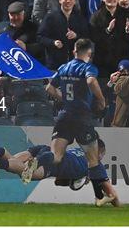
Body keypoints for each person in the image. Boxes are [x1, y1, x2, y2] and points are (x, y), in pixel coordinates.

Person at [23, 39, 112, 207]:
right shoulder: (88, 68)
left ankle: (38, 160)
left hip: (64, 115)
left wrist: (64, 100)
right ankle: (99, 197)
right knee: (93, 160)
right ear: (89, 53)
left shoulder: (64, 68)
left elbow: (49, 88)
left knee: (56, 157)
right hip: (82, 117)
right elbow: (91, 81)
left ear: (74, 51)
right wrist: (101, 101)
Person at [0, 136, 120, 207]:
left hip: (48, 150)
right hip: (54, 163)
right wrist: (119, 206)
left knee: (16, 163)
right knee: (31, 174)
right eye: (103, 154)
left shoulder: (79, 151)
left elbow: (59, 181)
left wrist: (76, 179)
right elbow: (109, 191)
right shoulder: (95, 165)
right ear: (99, 152)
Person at [37, 0, 89, 70]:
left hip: (75, 66)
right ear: (60, 0)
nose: (68, 1)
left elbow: (87, 37)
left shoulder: (80, 18)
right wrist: (53, 42)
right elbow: (40, 37)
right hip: (54, 65)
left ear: (75, 1)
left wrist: (76, 35)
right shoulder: (50, 17)